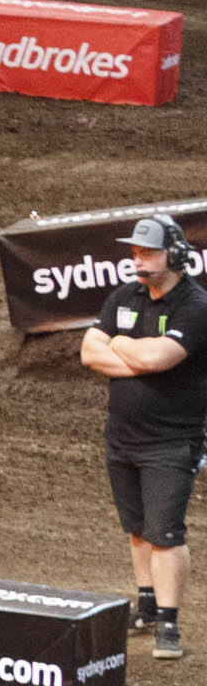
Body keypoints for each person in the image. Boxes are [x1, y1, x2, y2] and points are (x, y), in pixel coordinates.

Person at [77, 216, 201, 662]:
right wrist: (137, 354)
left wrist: (120, 345)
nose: (138, 261)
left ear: (176, 256)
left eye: (147, 254)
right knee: (138, 529)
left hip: (171, 442)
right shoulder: (124, 296)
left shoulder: (196, 307)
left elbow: (160, 358)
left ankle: (169, 622)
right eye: (134, 253)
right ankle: (146, 606)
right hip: (123, 438)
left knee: (164, 533)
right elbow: (89, 352)